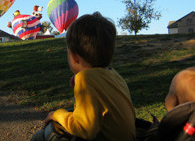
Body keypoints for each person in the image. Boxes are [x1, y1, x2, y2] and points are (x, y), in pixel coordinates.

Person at [31, 12, 136, 141]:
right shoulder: (113, 75)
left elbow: (84, 129)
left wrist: (57, 114)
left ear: (74, 57)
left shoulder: (86, 79)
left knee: (39, 137)